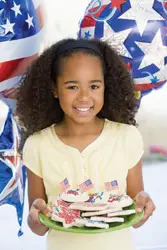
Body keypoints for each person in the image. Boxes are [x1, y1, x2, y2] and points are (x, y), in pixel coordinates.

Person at [16, 38, 155, 250]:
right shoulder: (38, 146)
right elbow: (38, 226)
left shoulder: (127, 137)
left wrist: (144, 204)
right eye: (72, 86)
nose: (84, 97)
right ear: (54, 89)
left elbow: (135, 212)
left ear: (105, 87)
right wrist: (36, 216)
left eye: (94, 86)